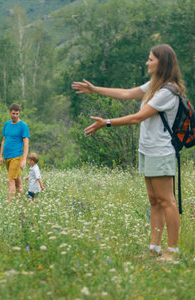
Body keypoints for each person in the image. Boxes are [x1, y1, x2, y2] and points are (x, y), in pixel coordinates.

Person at [72, 44, 182, 262]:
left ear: (162, 62)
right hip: (147, 150)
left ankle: (173, 251)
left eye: (151, 59)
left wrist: (107, 123)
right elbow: (125, 93)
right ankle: (154, 248)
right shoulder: (154, 85)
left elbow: (137, 117)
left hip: (160, 152)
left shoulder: (168, 91)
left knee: (167, 200)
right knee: (154, 200)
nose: (147, 62)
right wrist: (95, 89)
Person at [0, 104, 30, 203]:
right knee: (17, 179)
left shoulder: (23, 126)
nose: (15, 115)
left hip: (17, 156)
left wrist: (24, 159)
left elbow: (26, 143)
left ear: (19, 113)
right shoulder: (6, 124)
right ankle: (20, 201)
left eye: (17, 114)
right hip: (7, 156)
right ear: (10, 113)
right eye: (13, 113)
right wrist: (1, 156)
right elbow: (4, 140)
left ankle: (10, 204)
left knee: (10, 180)